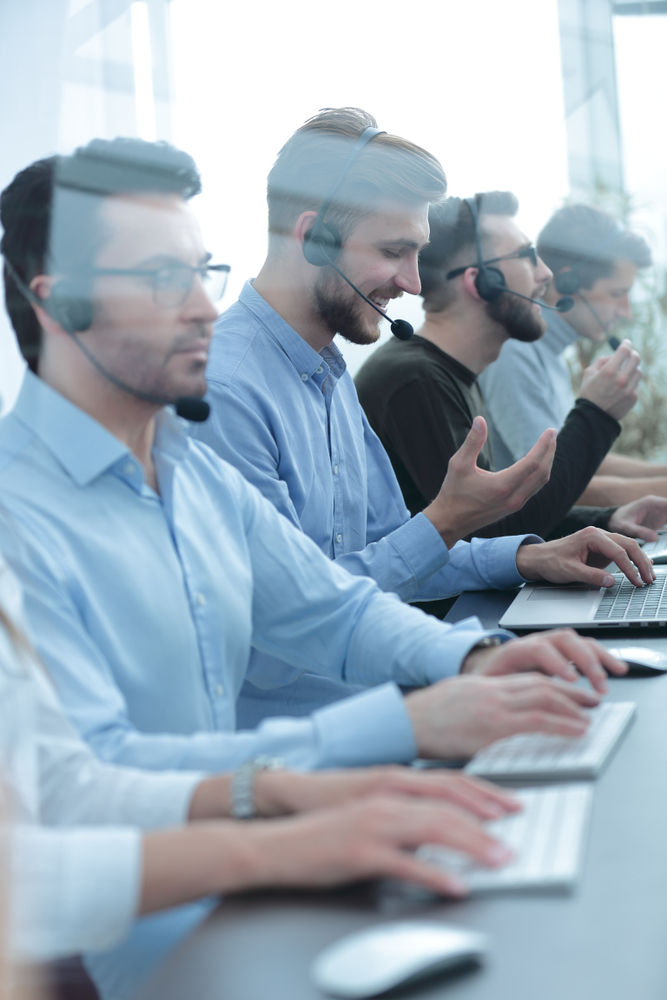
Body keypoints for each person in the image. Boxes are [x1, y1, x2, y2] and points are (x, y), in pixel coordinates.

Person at [194, 109, 651, 722]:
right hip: (312, 737)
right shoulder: (226, 391)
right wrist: (448, 532)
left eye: (418, 253)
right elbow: (291, 621)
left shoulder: (327, 373)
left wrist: (522, 556)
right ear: (314, 237)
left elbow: (382, 549)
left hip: (380, 703)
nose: (413, 282)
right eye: (394, 251)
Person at [0, 556, 520, 999]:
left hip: (179, 872)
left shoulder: (194, 471)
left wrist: (281, 792)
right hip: (129, 920)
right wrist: (270, 848)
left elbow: (62, 782)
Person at [355, 192, 667, 542]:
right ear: (483, 283)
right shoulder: (415, 381)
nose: (546, 275)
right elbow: (490, 533)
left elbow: (496, 518)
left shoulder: (450, 373)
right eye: (526, 257)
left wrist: (608, 519)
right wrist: (596, 414)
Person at [479, 203, 667, 504]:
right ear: (568, 283)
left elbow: (583, 460)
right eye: (618, 293)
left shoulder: (550, 356)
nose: (626, 311)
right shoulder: (515, 353)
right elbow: (550, 482)